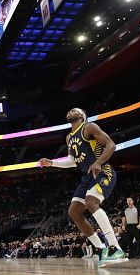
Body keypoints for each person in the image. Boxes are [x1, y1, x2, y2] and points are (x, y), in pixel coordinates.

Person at [39, 108, 128, 267]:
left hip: (102, 171)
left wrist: (98, 162)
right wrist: (52, 162)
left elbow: (111, 145)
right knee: (74, 212)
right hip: (87, 176)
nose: (70, 111)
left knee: (91, 202)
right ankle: (101, 249)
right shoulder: (69, 138)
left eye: (74, 110)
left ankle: (115, 248)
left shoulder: (89, 127)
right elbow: (72, 161)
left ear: (82, 116)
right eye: (69, 110)